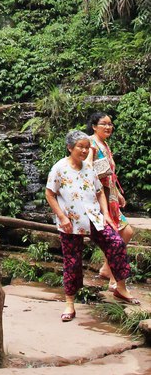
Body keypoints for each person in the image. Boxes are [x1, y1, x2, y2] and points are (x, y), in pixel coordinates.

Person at [45, 129, 139, 321]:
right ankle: (69, 305)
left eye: (87, 147)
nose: (85, 150)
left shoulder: (89, 169)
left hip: (95, 218)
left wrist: (105, 213)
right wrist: (62, 217)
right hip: (71, 222)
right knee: (72, 262)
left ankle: (120, 288)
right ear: (70, 147)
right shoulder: (59, 168)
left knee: (116, 244)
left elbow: (99, 192)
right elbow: (50, 194)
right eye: (81, 147)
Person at [85, 111, 134, 288]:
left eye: (110, 124)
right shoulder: (90, 143)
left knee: (125, 232)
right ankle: (114, 275)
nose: (108, 127)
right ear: (94, 126)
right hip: (100, 196)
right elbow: (87, 168)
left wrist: (118, 194)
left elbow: (110, 174)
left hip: (110, 195)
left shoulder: (103, 144)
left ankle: (107, 268)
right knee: (117, 235)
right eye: (104, 124)